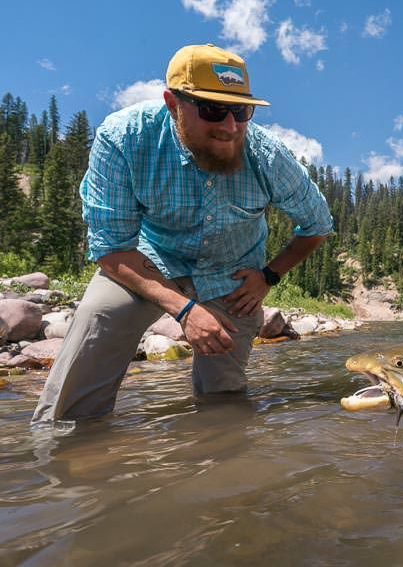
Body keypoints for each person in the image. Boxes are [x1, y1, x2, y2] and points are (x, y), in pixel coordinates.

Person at [32, 43, 334, 424]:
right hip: (149, 262)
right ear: (173, 103)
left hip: (232, 276)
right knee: (99, 317)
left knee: (224, 403)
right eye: (212, 109)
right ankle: (62, 444)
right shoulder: (124, 138)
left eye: (241, 111)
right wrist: (184, 309)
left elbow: (318, 226)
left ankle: (215, 459)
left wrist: (268, 276)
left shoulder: (269, 157)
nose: (229, 127)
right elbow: (111, 248)